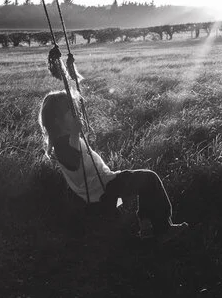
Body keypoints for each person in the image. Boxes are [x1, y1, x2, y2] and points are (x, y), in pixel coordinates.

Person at [39, 90, 189, 238]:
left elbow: (79, 157)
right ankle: (161, 229)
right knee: (149, 179)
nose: (77, 114)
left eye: (75, 110)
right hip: (105, 190)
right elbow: (74, 163)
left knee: (142, 185)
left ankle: (146, 225)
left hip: (103, 187)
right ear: (56, 120)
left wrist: (81, 135)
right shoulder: (61, 146)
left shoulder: (65, 141)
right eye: (71, 112)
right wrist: (74, 134)